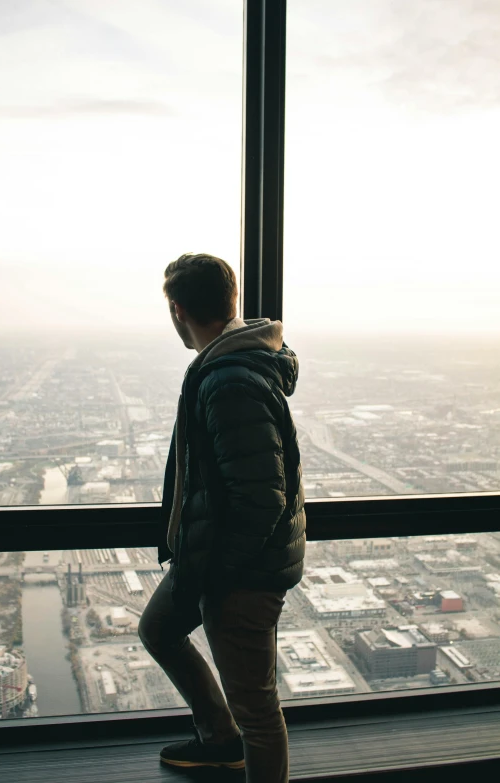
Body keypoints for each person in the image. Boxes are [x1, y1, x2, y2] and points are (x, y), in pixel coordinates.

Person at [138, 253, 306, 783]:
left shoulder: (229, 378)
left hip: (240, 571)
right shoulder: (228, 364)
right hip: (213, 556)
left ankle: (233, 741)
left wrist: (221, 573)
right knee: (160, 629)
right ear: (231, 300)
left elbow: (261, 500)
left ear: (177, 310)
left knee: (257, 708)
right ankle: (218, 736)